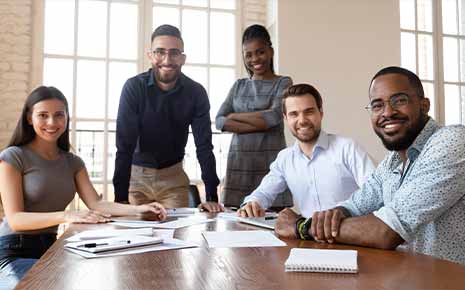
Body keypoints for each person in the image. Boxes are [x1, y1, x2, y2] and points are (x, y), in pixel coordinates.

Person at [275, 66, 465, 265]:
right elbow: (355, 206)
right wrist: (336, 214)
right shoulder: (393, 159)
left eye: (399, 100)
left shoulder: (452, 141)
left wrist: (303, 227)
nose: (388, 112)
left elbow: (386, 231)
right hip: (407, 277)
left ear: (424, 105)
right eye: (377, 105)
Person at [0, 86, 167, 290]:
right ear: (29, 118)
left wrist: (139, 209)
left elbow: (96, 203)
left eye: (59, 115)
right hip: (14, 252)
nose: (52, 122)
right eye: (43, 115)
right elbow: (16, 219)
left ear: (67, 118)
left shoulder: (73, 162)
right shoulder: (13, 157)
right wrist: (67, 216)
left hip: (53, 249)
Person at [113, 24, 223, 212]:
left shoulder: (196, 92)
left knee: (176, 238)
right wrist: (120, 198)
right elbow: (124, 146)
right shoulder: (133, 88)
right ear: (150, 56)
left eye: (174, 53)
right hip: (136, 178)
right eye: (160, 52)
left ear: (183, 58)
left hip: (173, 179)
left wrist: (212, 196)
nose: (167, 59)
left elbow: (204, 145)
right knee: (135, 237)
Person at [238, 83, 375, 218]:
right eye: (294, 114)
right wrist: (252, 203)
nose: (302, 120)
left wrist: (343, 211)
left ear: (320, 113)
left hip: (350, 234)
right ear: (285, 118)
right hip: (307, 237)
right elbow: (264, 193)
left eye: (308, 112)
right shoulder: (285, 158)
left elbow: (374, 191)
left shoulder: (347, 148)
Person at [216, 24, 293, 208]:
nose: (254, 59)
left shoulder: (283, 82)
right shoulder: (238, 86)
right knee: (235, 228)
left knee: (274, 230)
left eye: (260, 52)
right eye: (248, 55)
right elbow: (220, 120)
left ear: (271, 51)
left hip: (270, 168)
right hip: (238, 169)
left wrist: (234, 116)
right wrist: (260, 122)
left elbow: (273, 117)